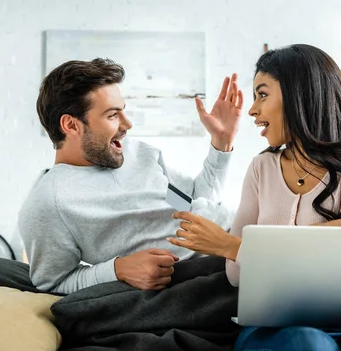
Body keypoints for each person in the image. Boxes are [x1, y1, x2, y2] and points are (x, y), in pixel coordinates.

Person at [167, 44, 341, 351]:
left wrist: (232, 246)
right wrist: (337, 231)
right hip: (273, 325)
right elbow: (236, 275)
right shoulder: (262, 167)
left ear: (300, 93)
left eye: (262, 94)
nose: (252, 109)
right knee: (306, 341)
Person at [18, 58, 243, 294]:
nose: (128, 124)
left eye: (123, 111)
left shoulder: (137, 153)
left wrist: (222, 144)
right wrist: (117, 269)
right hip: (214, 269)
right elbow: (53, 282)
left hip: (243, 231)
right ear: (71, 125)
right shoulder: (49, 203)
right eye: (112, 115)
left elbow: (192, 204)